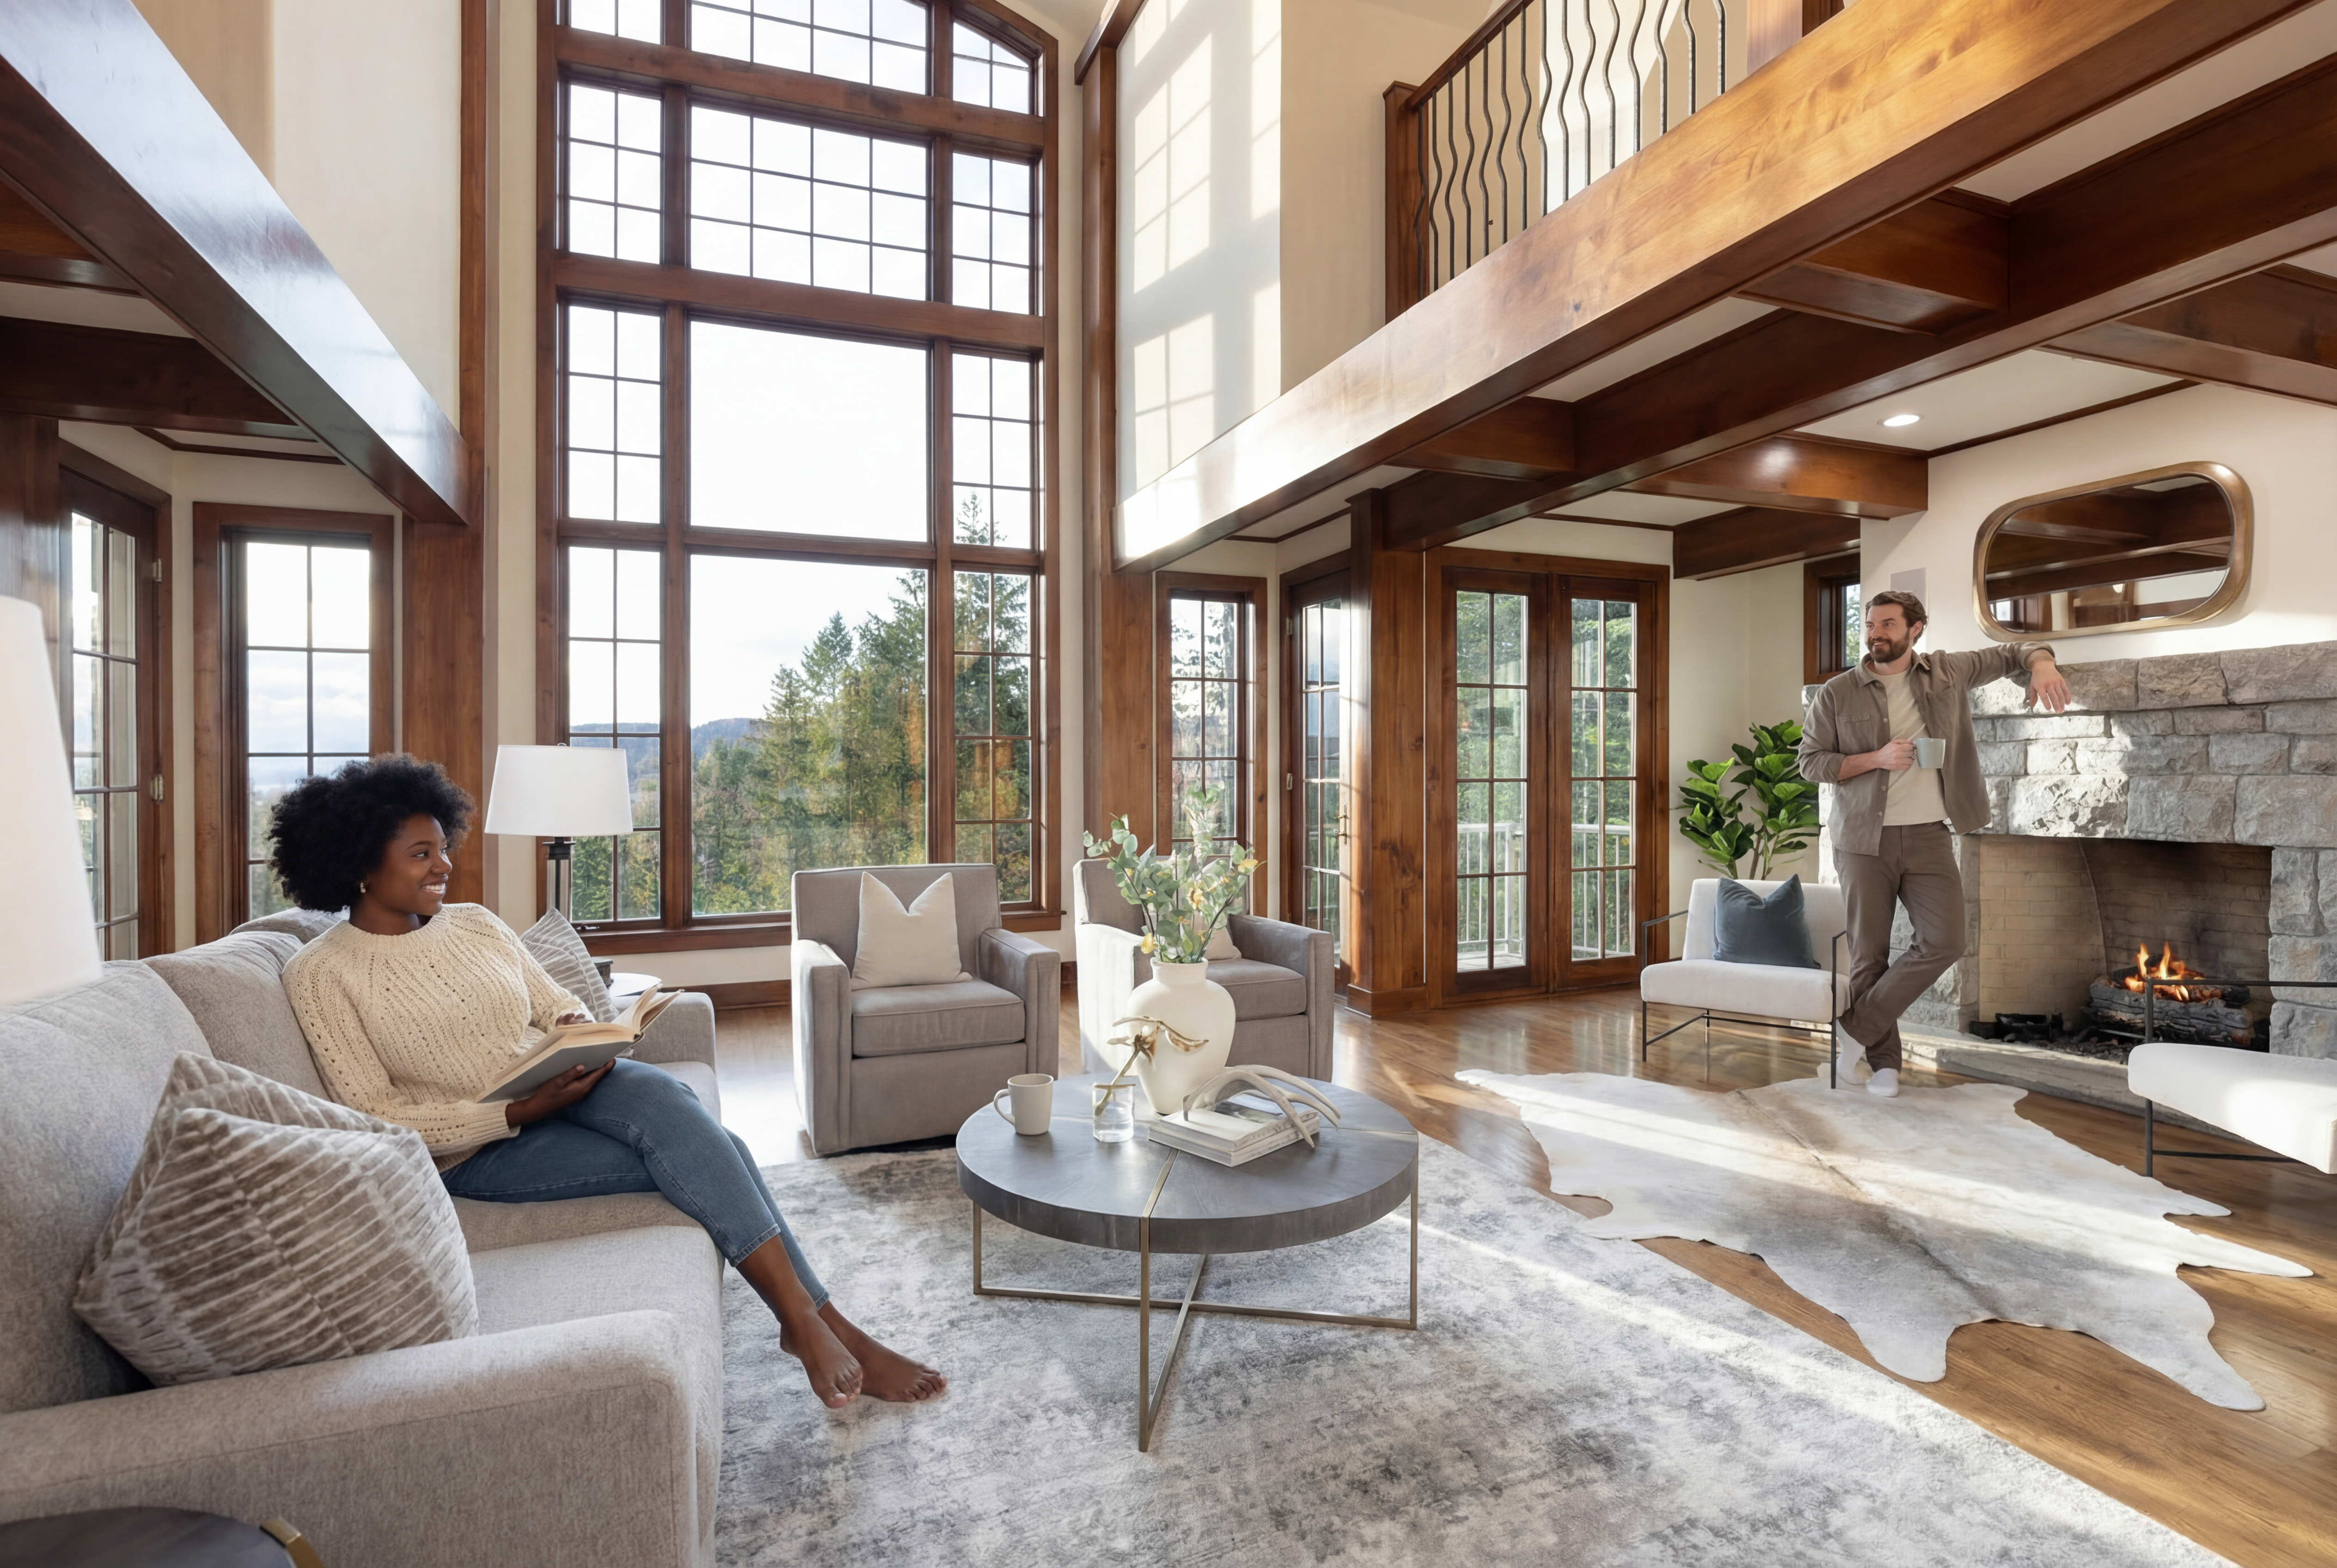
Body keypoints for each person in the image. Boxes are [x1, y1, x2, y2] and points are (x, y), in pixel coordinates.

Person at [275, 753, 943, 1409]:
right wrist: (516, 1114)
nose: (445, 866)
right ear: (359, 864)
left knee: (669, 1104)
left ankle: (808, 1325)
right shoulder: (321, 973)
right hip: (481, 1148)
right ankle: (822, 1325)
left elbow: (551, 1000)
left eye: (443, 847)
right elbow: (375, 1113)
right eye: (422, 854)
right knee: (722, 1152)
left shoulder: (475, 925)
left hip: (566, 1085)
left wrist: (579, 1035)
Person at [1796, 592, 2069, 1097]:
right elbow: (1810, 762)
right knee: (1868, 957)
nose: (1875, 632)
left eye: (1887, 624)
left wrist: (2044, 666)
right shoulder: (1837, 692)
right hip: (1861, 841)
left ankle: (1853, 1031)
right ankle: (1883, 1066)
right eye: (1870, 623)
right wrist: (1874, 759)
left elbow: (2018, 650)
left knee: (1945, 941)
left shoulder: (1948, 672)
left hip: (1929, 835)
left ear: (1915, 629)